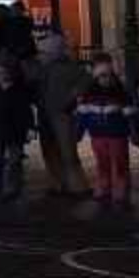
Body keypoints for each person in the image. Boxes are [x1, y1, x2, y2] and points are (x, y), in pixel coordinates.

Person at [32, 32, 91, 197]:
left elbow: (86, 80)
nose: (40, 56)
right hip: (45, 113)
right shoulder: (41, 69)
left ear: (53, 53)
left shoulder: (68, 67)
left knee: (67, 152)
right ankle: (57, 183)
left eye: (43, 53)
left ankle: (77, 186)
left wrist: (73, 95)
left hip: (62, 114)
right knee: (49, 150)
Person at [75, 53, 136, 207]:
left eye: (108, 75)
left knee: (119, 161)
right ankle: (104, 185)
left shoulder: (120, 93)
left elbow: (131, 116)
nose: (105, 79)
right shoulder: (88, 94)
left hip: (117, 135)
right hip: (97, 135)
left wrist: (136, 134)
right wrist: (78, 133)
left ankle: (121, 185)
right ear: (95, 75)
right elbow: (83, 115)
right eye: (101, 75)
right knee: (102, 162)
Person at [0, 55, 38, 199]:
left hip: (15, 132)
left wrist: (30, 128)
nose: (0, 76)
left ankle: (11, 188)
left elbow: (26, 112)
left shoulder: (19, 92)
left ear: (11, 73)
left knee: (13, 161)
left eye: (3, 72)